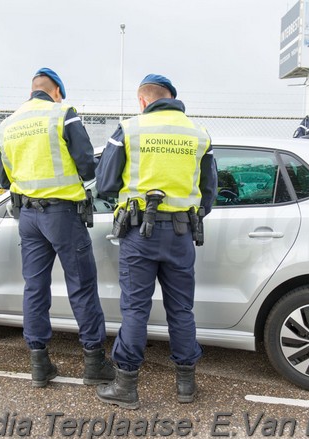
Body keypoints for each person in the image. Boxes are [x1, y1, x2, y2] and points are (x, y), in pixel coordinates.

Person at [94, 74, 218, 409]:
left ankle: (126, 386)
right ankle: (186, 386)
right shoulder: (198, 133)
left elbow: (104, 183)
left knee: (135, 308)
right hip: (181, 234)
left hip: (138, 234)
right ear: (172, 98)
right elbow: (209, 193)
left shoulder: (130, 129)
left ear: (143, 101)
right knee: (181, 309)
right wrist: (188, 214)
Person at [0, 67, 114, 388]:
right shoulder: (63, 114)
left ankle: (39, 364)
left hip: (28, 219)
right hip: (62, 215)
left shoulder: (8, 125)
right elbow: (87, 163)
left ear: (31, 91)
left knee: (35, 288)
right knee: (81, 285)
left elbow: (4, 179)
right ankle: (94, 361)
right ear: (57, 91)